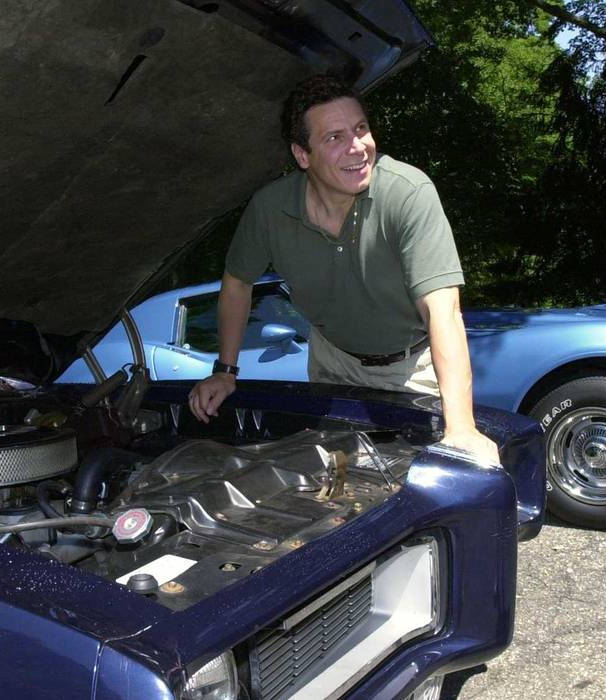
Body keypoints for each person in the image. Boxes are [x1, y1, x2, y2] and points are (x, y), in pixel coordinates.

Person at [187, 74, 499, 465]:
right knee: (339, 482)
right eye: (335, 137)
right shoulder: (269, 209)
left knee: (419, 480)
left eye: (361, 129)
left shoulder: (407, 192)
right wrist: (225, 371)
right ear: (302, 156)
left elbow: (443, 310)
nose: (358, 147)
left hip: (410, 368)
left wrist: (462, 428)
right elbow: (236, 284)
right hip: (331, 362)